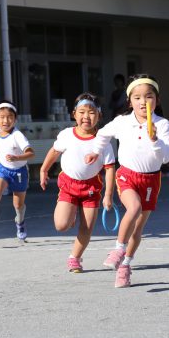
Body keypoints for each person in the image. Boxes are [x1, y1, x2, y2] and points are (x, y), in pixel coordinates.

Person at [84, 74, 169, 287]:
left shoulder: (163, 125)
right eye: (137, 97)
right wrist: (96, 152)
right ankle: (118, 249)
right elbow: (103, 134)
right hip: (127, 176)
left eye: (149, 96)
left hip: (151, 180)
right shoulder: (122, 122)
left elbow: (166, 157)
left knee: (138, 229)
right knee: (133, 208)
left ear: (157, 100)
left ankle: (125, 266)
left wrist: (154, 140)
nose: (143, 102)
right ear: (130, 101)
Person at [39, 93, 116, 273]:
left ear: (99, 116)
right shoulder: (67, 134)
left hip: (91, 187)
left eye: (91, 113)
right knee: (61, 225)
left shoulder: (104, 142)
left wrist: (108, 196)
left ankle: (75, 258)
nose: (86, 117)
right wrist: (44, 170)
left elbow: (110, 169)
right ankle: (70, 213)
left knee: (87, 227)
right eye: (82, 112)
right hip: (68, 185)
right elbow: (54, 152)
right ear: (74, 114)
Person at [0, 100, 35, 241]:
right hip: (3, 169)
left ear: (15, 119)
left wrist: (17, 157)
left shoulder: (18, 136)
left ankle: (20, 223)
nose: (6, 120)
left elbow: (31, 153)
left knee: (18, 204)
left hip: (19, 172)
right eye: (2, 117)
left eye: (9, 117)